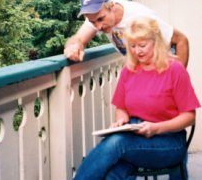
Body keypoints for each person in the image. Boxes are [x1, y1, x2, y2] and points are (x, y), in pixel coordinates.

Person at [73, 17, 200, 180]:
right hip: (136, 137)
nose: (137, 51)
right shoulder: (129, 70)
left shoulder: (175, 70)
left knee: (117, 143)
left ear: (156, 42)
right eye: (132, 46)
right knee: (112, 173)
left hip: (169, 141)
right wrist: (121, 121)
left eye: (142, 45)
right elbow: (122, 107)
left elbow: (189, 117)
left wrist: (156, 128)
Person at [64, 0, 189, 67]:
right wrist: (73, 47)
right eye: (92, 22)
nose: (97, 27)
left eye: (100, 19)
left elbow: (181, 40)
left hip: (163, 67)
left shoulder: (140, 16)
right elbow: (79, 39)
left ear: (112, 7)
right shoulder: (96, 15)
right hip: (141, 70)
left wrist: (180, 80)